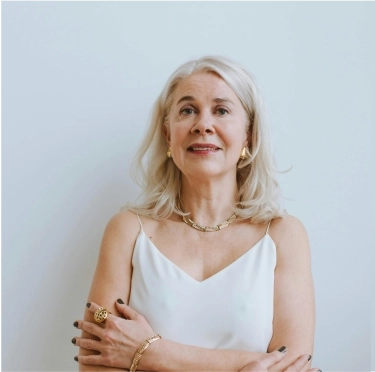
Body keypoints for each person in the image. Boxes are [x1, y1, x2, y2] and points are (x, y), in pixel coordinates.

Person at [72, 56, 318, 372]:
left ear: (249, 135)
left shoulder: (284, 235)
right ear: (168, 135)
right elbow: (96, 355)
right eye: (187, 111)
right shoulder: (127, 231)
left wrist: (149, 352)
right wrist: (246, 365)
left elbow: (295, 366)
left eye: (221, 110)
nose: (203, 124)